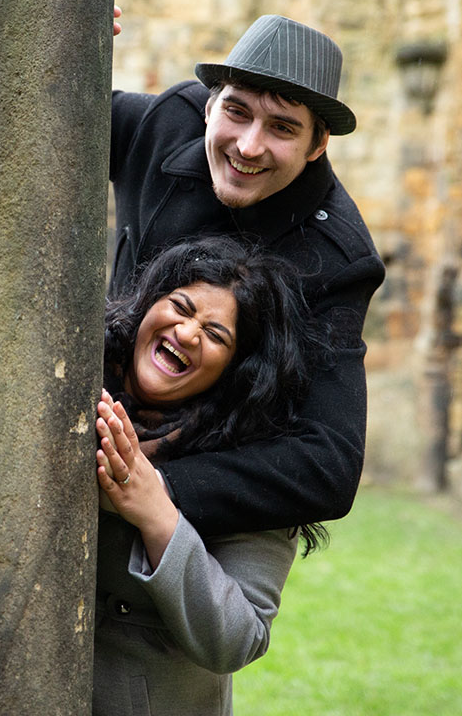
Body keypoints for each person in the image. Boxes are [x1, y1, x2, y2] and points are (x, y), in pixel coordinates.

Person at [109, 13, 386, 536]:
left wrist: (152, 486)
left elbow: (328, 465)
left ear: (317, 143)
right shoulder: (165, 124)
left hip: (195, 514)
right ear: (209, 106)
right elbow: (30, 109)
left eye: (282, 127)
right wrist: (60, 34)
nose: (249, 145)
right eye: (237, 112)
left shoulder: (335, 259)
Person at [92, 236, 327, 715]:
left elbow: (239, 639)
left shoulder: (252, 461)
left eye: (216, 335)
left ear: (238, 371)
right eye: (179, 307)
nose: (188, 332)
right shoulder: (78, 372)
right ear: (147, 307)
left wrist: (157, 513)